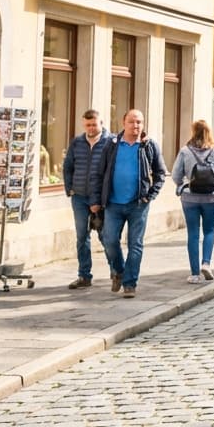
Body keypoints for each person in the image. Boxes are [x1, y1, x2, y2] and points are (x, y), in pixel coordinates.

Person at [92, 109, 168, 298]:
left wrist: (150, 195)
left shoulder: (149, 146)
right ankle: (118, 271)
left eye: (139, 122)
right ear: (123, 123)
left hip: (138, 204)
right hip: (113, 203)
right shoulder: (112, 145)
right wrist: (95, 200)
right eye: (132, 122)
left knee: (135, 244)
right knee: (109, 240)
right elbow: (99, 174)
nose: (136, 126)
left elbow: (160, 174)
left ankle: (129, 283)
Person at [171, 120, 214, 284]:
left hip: (189, 198)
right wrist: (213, 179)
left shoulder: (185, 151)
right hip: (211, 197)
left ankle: (195, 273)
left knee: (193, 233)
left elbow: (175, 176)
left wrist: (186, 182)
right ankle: (206, 263)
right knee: (209, 230)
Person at [61, 109, 112, 289]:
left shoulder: (110, 142)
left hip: (103, 199)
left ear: (101, 123)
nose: (90, 128)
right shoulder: (77, 142)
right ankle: (84, 275)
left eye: (94, 124)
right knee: (82, 237)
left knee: (106, 236)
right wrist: (70, 189)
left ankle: (116, 272)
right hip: (80, 197)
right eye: (87, 125)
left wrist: (105, 196)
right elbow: (68, 167)